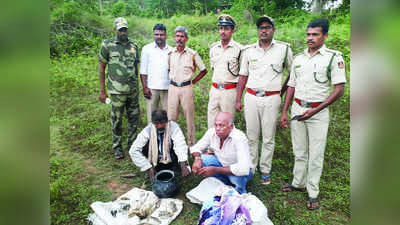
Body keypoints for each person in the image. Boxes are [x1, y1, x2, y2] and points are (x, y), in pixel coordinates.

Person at [279, 19, 346, 210]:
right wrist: (285, 111)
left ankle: (313, 192)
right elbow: (291, 85)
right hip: (298, 109)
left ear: (325, 36)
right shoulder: (299, 59)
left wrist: (316, 110)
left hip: (318, 112)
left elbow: (339, 89)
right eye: (308, 34)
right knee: (299, 150)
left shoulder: (333, 57)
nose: (310, 38)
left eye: (315, 34)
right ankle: (298, 183)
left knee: (316, 154)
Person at [235, 15, 293, 185]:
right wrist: (238, 99)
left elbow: (293, 75)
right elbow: (243, 76)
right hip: (251, 97)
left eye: (268, 27)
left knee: (268, 137)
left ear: (273, 30)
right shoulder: (248, 51)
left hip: (271, 99)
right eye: (261, 28)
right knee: (251, 136)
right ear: (258, 31)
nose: (264, 30)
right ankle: (252, 167)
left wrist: (280, 93)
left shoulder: (284, 50)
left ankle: (265, 170)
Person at [98, 17, 140, 159]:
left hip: (132, 91)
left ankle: (132, 146)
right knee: (117, 120)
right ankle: (117, 148)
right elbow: (102, 67)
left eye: (125, 29)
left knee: (134, 119)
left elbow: (136, 67)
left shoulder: (134, 46)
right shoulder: (107, 45)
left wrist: (138, 86)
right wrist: (102, 91)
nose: (123, 32)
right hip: (116, 92)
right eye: (120, 29)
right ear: (115, 30)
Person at [190, 112, 253, 194]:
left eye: (222, 125)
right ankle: (224, 184)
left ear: (231, 127)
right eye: (216, 125)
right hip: (221, 164)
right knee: (203, 159)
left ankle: (239, 191)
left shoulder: (239, 138)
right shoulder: (212, 132)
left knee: (239, 176)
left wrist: (215, 170)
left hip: (236, 171)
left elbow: (243, 169)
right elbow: (196, 148)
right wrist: (197, 159)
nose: (217, 128)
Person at [168, 26, 208, 146]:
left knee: (189, 118)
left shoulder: (192, 54)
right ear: (174, 38)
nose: (179, 39)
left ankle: (191, 145)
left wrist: (193, 81)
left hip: (186, 88)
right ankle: (171, 145)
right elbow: (168, 69)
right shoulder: (170, 54)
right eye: (177, 36)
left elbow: (204, 70)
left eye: (182, 36)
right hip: (173, 88)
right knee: (171, 117)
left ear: (186, 39)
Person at [129, 109, 190, 181]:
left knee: (179, 145)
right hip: (156, 160)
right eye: (157, 123)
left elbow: (180, 145)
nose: (160, 126)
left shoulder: (173, 127)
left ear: (167, 121)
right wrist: (147, 167)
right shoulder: (148, 129)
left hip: (171, 157)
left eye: (162, 123)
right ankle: (153, 168)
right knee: (144, 146)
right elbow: (133, 150)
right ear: (152, 122)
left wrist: (183, 165)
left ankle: (175, 167)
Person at [208, 14, 243, 128]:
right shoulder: (213, 48)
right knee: (212, 125)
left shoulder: (239, 49)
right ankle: (213, 146)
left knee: (226, 126)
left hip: (229, 92)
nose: (223, 31)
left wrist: (238, 98)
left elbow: (243, 74)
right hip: (214, 90)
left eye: (226, 29)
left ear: (232, 31)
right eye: (221, 28)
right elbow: (214, 69)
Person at [140, 24, 170, 123]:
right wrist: (145, 87)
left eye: (161, 34)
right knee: (151, 117)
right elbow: (143, 70)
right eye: (156, 34)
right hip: (152, 89)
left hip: (167, 88)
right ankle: (152, 137)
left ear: (165, 35)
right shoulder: (147, 49)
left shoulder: (171, 50)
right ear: (153, 35)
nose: (159, 37)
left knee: (168, 116)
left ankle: (167, 137)